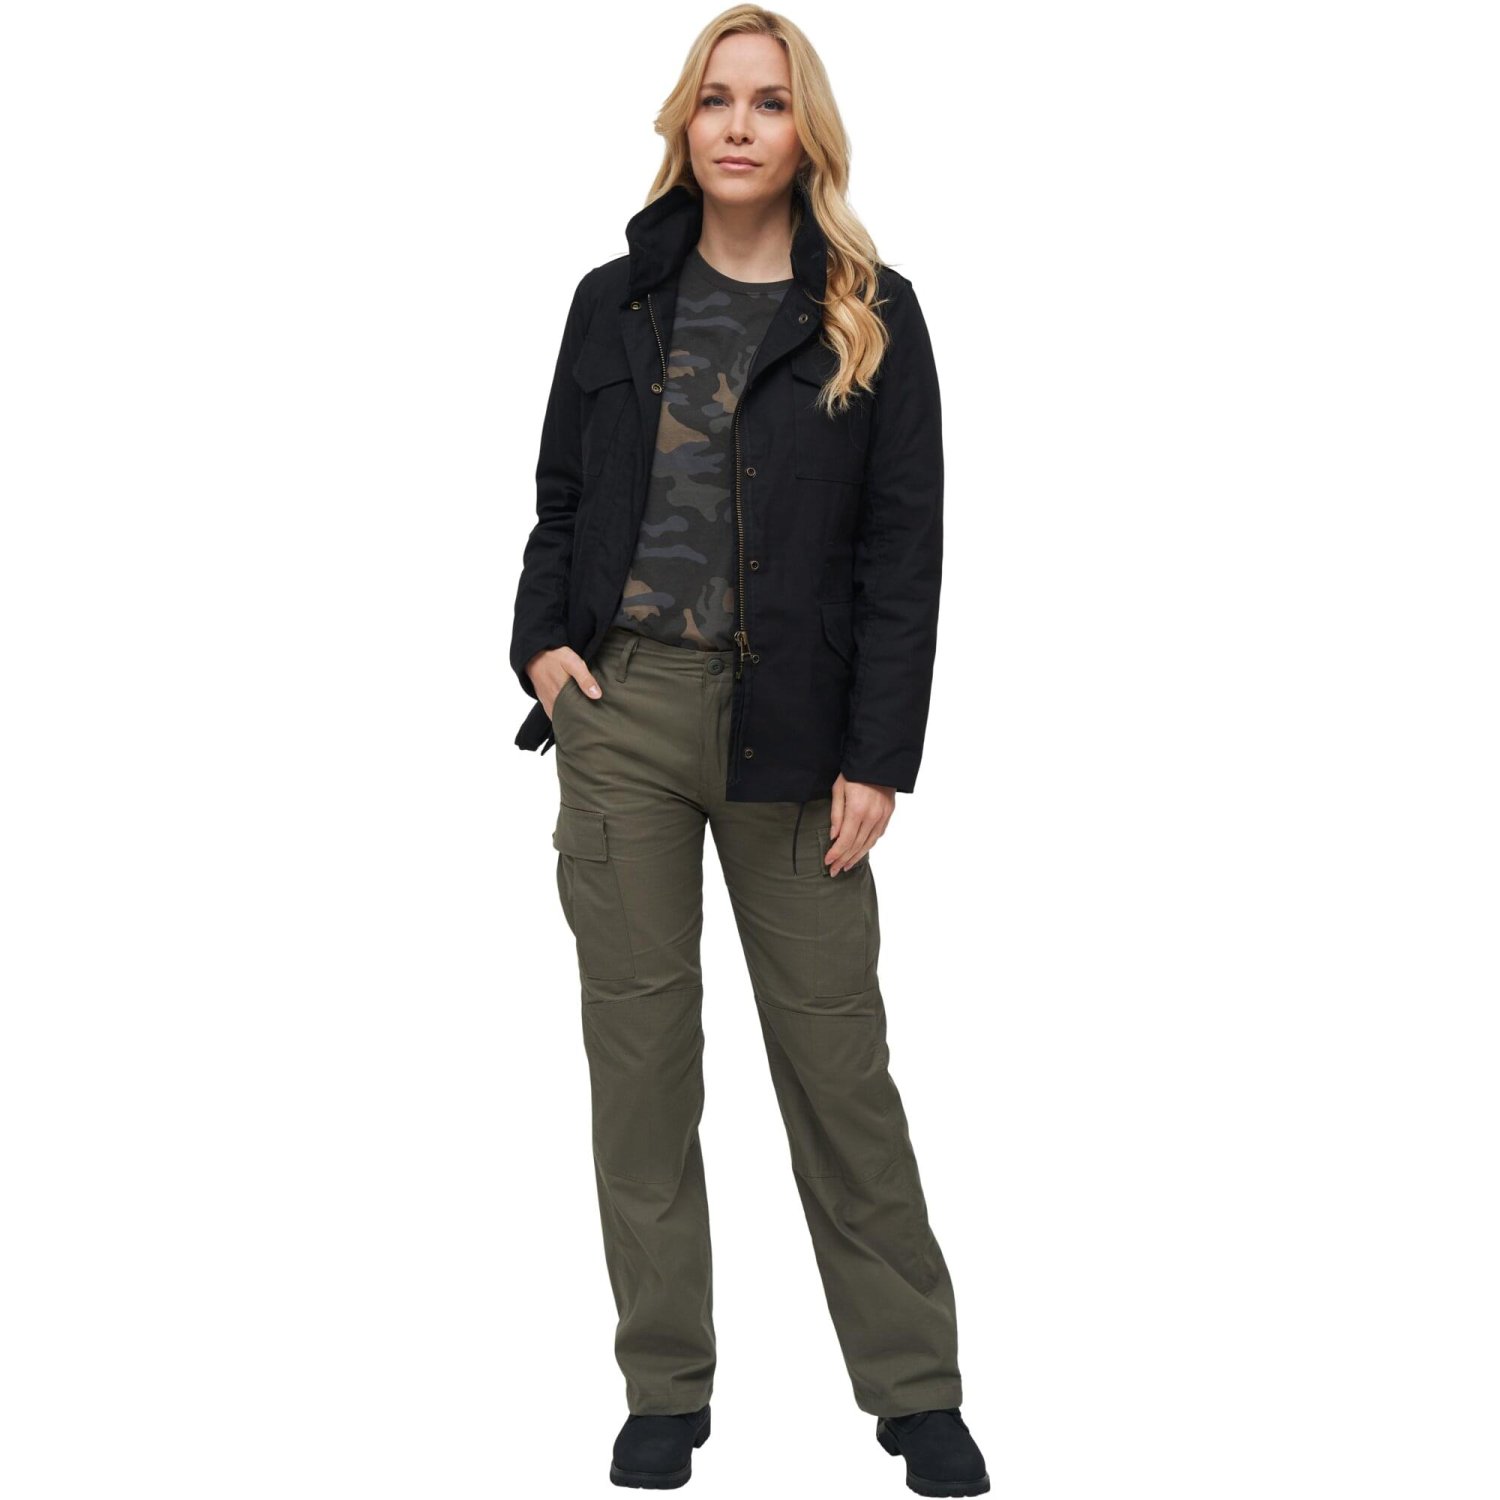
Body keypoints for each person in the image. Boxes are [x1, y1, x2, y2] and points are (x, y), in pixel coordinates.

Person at [509, 9, 988, 1494]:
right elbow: (560, 498)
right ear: (684, 122)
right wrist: (541, 646)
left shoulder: (875, 312)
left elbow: (905, 553)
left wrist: (879, 756)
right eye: (714, 100)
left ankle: (915, 1391)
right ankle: (666, 1388)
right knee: (642, 1068)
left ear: (805, 132)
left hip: (800, 733)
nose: (736, 125)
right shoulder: (613, 301)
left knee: (840, 1068)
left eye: (768, 103)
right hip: (623, 716)